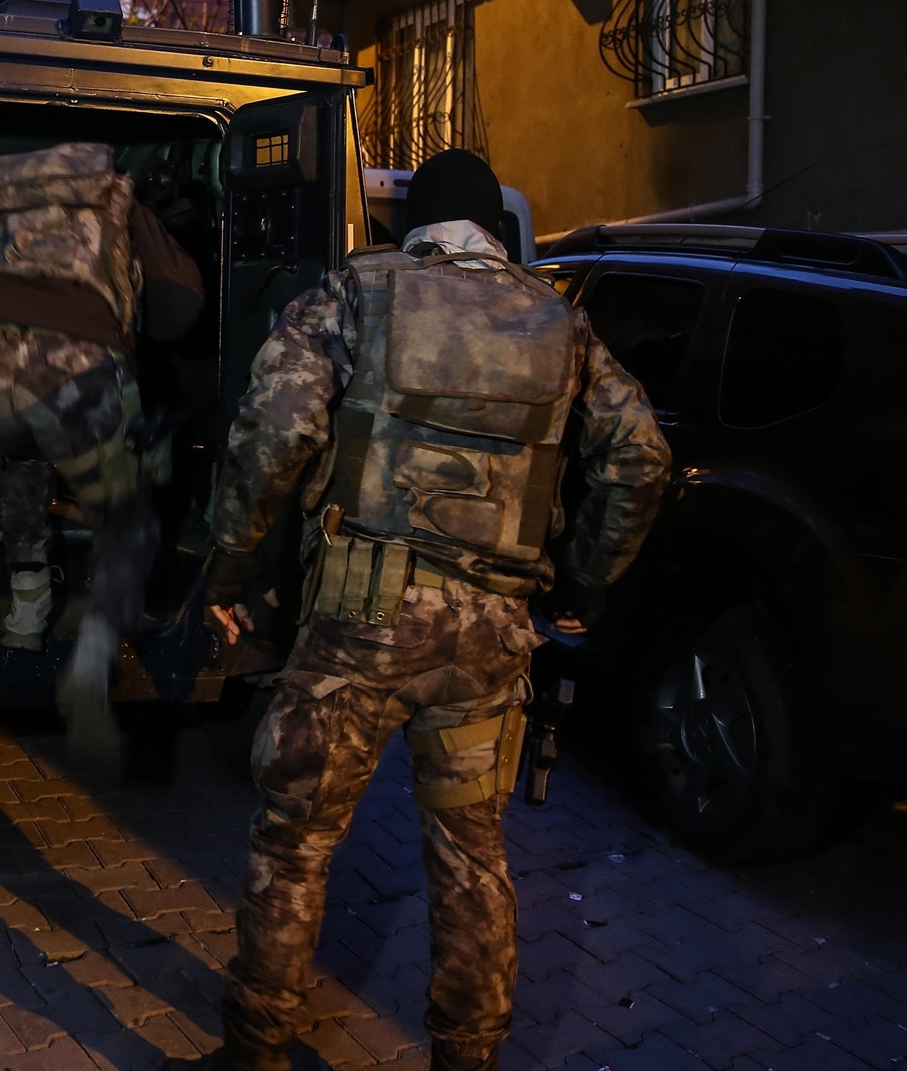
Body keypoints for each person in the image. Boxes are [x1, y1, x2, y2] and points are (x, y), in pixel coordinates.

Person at [190, 149, 671, 1071]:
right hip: (491, 633)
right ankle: (469, 1057)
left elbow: (274, 427)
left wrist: (231, 563)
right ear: (496, 229)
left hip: (361, 621)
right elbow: (641, 460)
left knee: (295, 843)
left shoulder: (358, 292)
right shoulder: (562, 322)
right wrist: (584, 585)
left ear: (414, 225)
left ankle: (256, 1052)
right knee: (471, 852)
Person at [0, 142, 203, 761]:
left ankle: (26, 614)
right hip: (77, 369)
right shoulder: (120, 198)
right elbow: (180, 304)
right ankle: (92, 666)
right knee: (127, 517)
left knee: (21, 450)